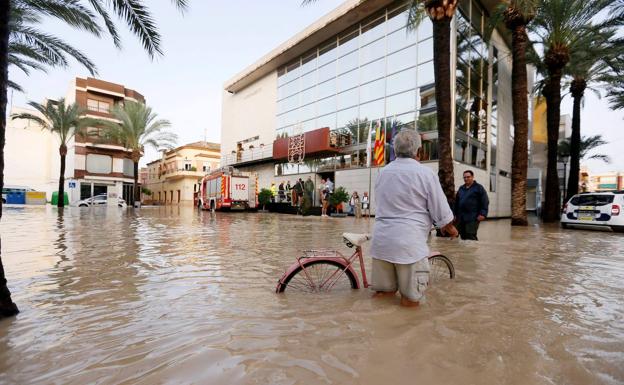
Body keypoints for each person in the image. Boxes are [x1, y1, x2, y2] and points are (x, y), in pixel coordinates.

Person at [369, 129, 458, 308]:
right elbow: (441, 210)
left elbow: (381, 203)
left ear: (395, 149)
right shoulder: (425, 173)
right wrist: (451, 229)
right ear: (417, 150)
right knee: (410, 301)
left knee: (384, 296)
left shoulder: (382, 173)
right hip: (409, 246)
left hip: (381, 242)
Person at [454, 170, 489, 240]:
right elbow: (456, 203)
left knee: (470, 235)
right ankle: (465, 251)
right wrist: (454, 214)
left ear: (472, 177)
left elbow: (485, 201)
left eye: (468, 177)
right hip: (461, 217)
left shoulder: (479, 188)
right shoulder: (461, 188)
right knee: (462, 235)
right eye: (464, 177)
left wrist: (483, 213)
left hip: (473, 217)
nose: (466, 179)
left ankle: (472, 250)